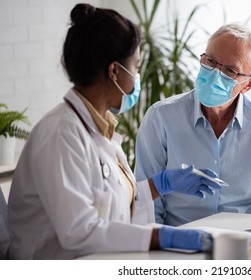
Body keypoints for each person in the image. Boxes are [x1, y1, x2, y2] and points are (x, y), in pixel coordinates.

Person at [7, 3, 222, 260]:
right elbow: (79, 231)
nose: (138, 76)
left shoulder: (97, 128)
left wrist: (159, 185)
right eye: (137, 67)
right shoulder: (60, 134)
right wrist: (161, 236)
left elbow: (112, 205)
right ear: (115, 71)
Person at [135, 23, 251, 226]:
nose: (214, 73)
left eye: (229, 70)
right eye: (210, 61)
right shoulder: (161, 117)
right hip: (176, 245)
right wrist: (162, 247)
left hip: (245, 248)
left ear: (248, 84)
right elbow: (147, 205)